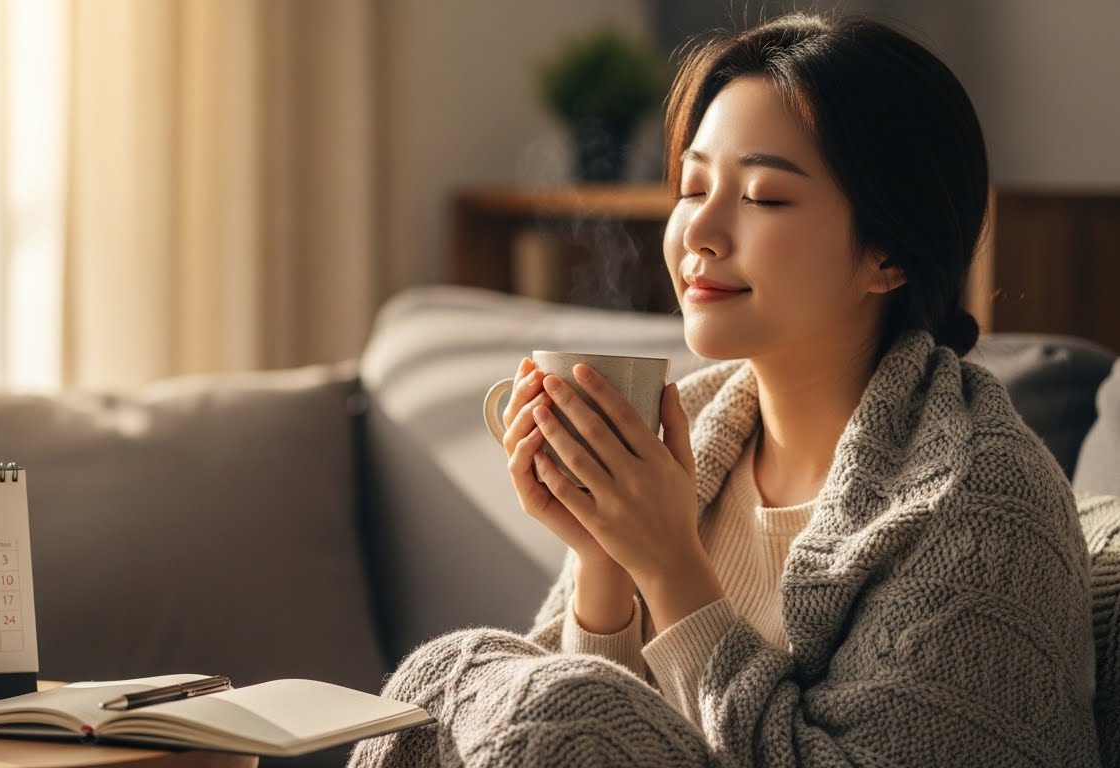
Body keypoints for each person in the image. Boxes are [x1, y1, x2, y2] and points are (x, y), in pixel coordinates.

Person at [349, 12, 1101, 767]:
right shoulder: (698, 424)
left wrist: (670, 566)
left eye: (764, 197)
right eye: (691, 185)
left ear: (889, 257)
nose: (698, 231)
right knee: (453, 680)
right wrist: (606, 560)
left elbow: (574, 723)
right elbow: (601, 737)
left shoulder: (976, 502)